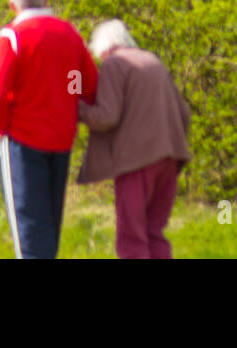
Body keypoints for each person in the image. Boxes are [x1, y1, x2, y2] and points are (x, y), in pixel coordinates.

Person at [0, 0, 97, 259]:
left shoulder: (12, 36)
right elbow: (86, 85)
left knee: (30, 235)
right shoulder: (68, 32)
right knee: (50, 225)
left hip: (23, 141)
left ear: (13, 5)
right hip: (61, 140)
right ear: (46, 0)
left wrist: (2, 130)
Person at [77, 19, 192, 259]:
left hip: (136, 163)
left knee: (132, 237)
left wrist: (77, 108)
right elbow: (184, 115)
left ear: (103, 49)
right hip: (170, 158)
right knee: (155, 233)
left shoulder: (114, 64)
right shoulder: (153, 61)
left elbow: (107, 116)